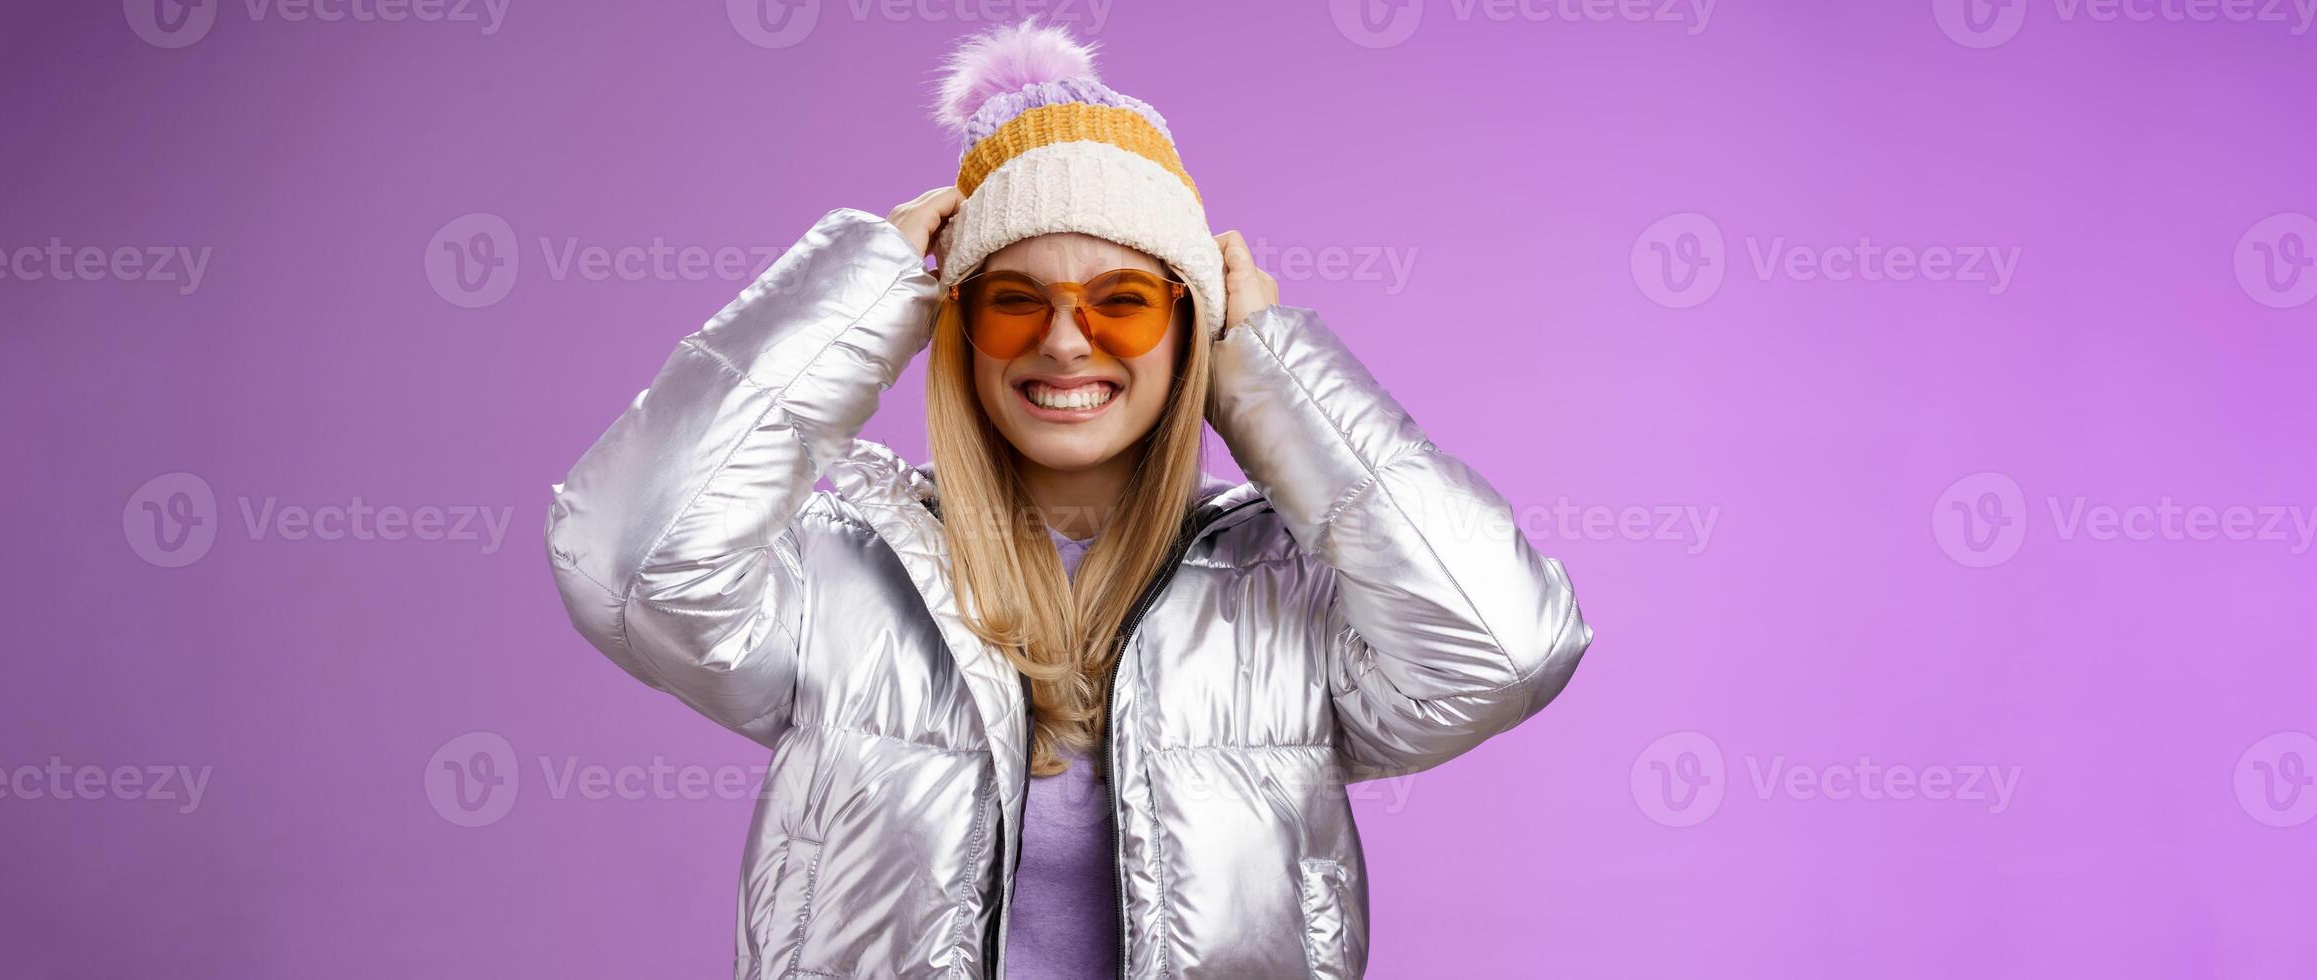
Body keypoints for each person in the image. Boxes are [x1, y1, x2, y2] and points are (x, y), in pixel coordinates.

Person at [546, 21, 1592, 978]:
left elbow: (1505, 646)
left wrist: (1275, 376)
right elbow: (626, 558)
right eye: (1012, 301)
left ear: (1193, 335)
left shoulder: (1285, 597)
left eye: (1122, 303)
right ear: (955, 329)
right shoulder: (843, 577)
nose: (1061, 339)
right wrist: (856, 291)